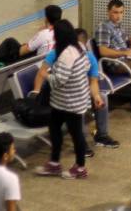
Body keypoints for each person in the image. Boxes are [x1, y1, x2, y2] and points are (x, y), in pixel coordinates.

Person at [33, 20, 101, 180]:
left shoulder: (66, 55)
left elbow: (59, 80)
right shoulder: (80, 47)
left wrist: (46, 75)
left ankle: (80, 168)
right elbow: (84, 67)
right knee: (55, 128)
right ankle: (55, 164)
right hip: (66, 100)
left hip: (71, 103)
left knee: (76, 134)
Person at [34, 26, 119, 150]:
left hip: (78, 91)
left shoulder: (90, 58)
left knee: (102, 97)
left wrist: (96, 96)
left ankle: (102, 136)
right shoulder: (56, 53)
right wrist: (35, 92)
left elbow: (93, 82)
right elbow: (41, 72)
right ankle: (81, 142)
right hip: (58, 93)